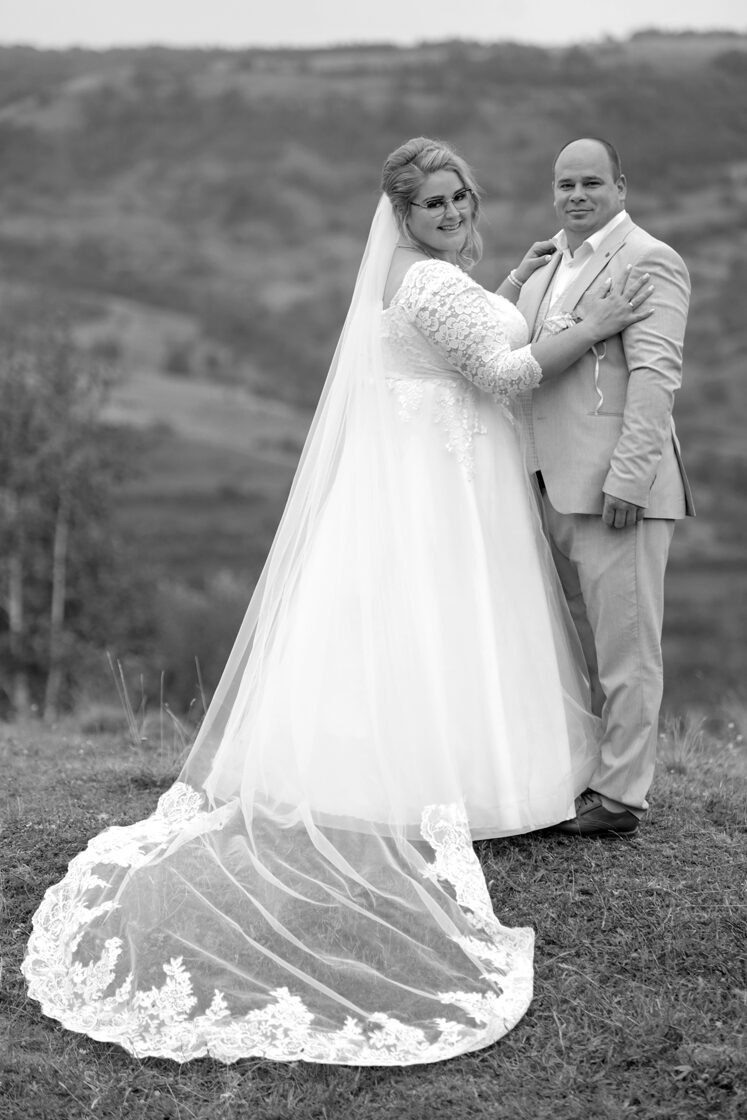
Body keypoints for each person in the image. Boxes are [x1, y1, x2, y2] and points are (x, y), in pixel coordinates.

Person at [23, 138, 651, 1066]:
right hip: (439, 489)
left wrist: (513, 283)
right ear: (401, 213)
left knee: (414, 628)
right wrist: (597, 325)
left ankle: (413, 766)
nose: (452, 213)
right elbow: (506, 374)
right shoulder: (427, 280)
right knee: (443, 622)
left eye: (460, 197)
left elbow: (468, 331)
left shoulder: (422, 274)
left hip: (426, 475)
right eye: (433, 203)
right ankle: (462, 780)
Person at [516, 137, 694, 838]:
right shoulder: (548, 264)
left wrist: (630, 477)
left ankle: (620, 796)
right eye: (565, 184)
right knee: (566, 642)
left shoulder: (649, 259)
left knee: (625, 647)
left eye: (591, 182)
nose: (577, 195)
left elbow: (655, 376)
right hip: (545, 480)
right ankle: (577, 769)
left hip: (616, 490)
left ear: (621, 186)